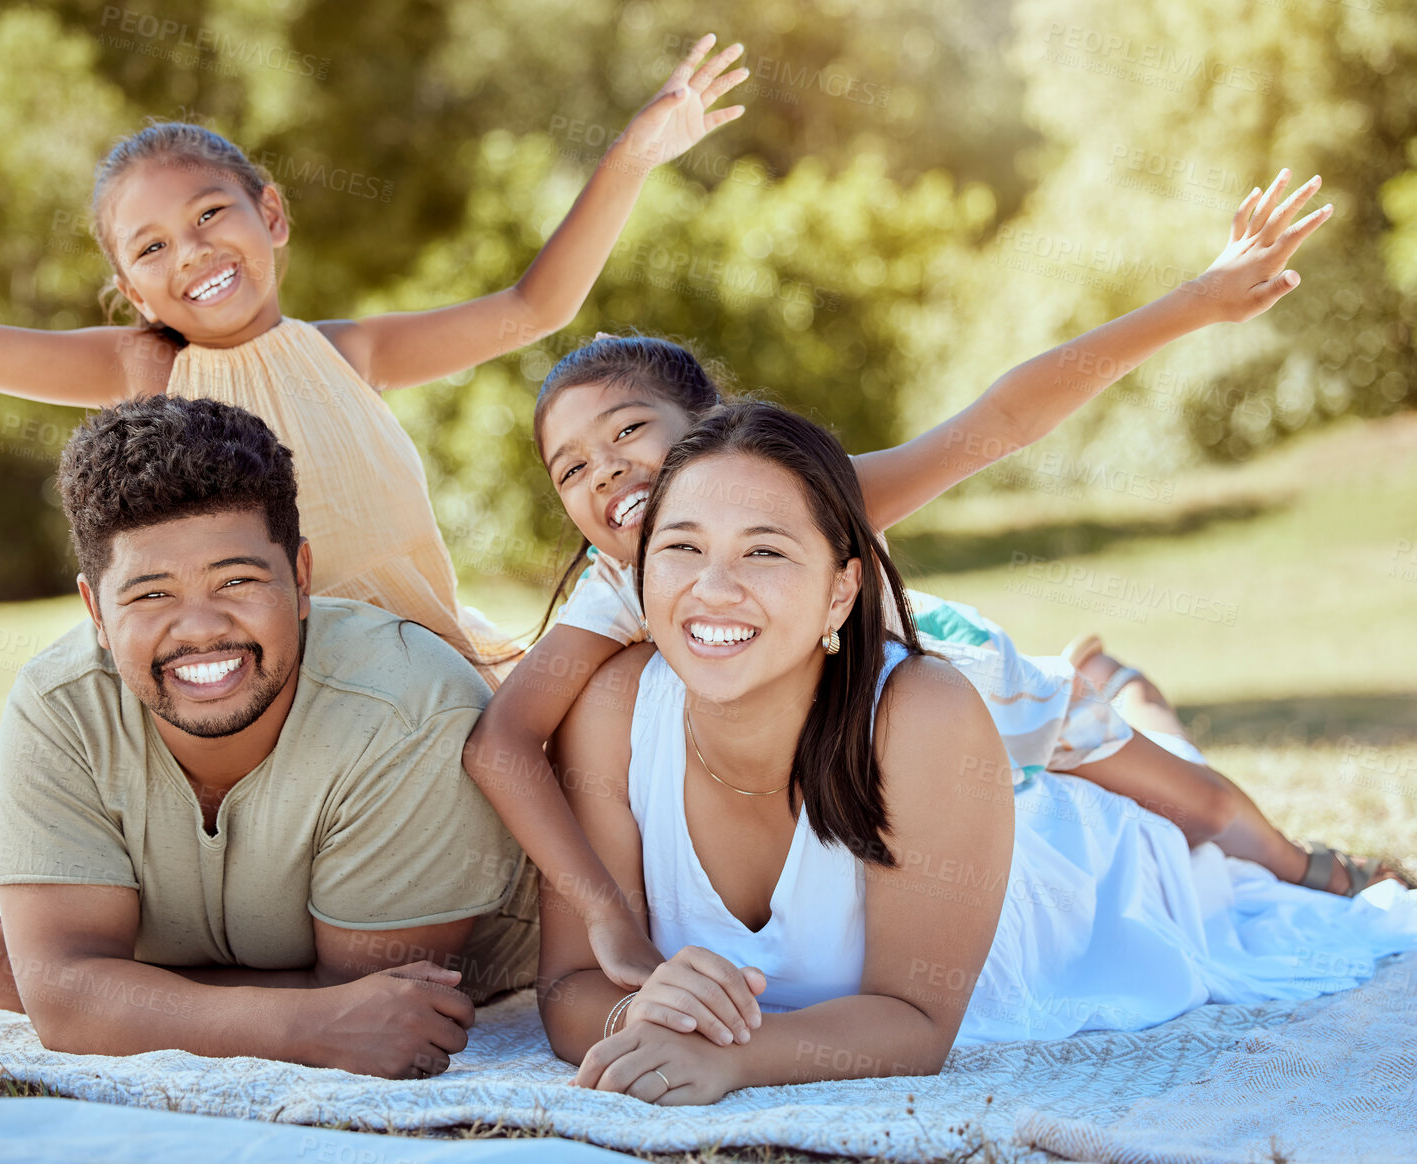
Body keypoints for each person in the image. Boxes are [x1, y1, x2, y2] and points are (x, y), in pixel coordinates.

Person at [466, 170, 1398, 1026]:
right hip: (844, 715)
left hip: (957, 680)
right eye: (572, 468)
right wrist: (605, 918)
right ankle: (1116, 683)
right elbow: (502, 743)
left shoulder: (819, 493)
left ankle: (1313, 865)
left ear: (711, 428)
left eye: (630, 430)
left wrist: (1196, 303)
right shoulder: (617, 590)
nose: (608, 471)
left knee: (1193, 807)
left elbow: (999, 422)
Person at [0, 33, 749, 681]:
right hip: (276, 683)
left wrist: (631, 156)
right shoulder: (140, 369)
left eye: (211, 216)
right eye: (151, 248)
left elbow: (535, 305)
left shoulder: (350, 351)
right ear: (127, 288)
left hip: (420, 666)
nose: (192, 253)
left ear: (272, 215)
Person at [538, 401, 1417, 1104]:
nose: (713, 587)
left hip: (1093, 874)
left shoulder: (922, 713)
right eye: (681, 548)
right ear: (638, 573)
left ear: (844, 589)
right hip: (998, 801)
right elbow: (570, 985)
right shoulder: (612, 712)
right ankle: (1107, 688)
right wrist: (637, 1012)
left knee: (1205, 840)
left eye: (764, 551)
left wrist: (734, 1058)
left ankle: (1124, 697)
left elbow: (918, 1022)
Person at [0, 394, 537, 1079]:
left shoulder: (408, 705)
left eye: (236, 580)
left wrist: (105, 986)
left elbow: (378, 1009)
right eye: (151, 594)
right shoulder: (60, 705)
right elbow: (70, 1005)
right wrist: (71, 988)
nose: (200, 628)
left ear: (300, 579)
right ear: (96, 612)